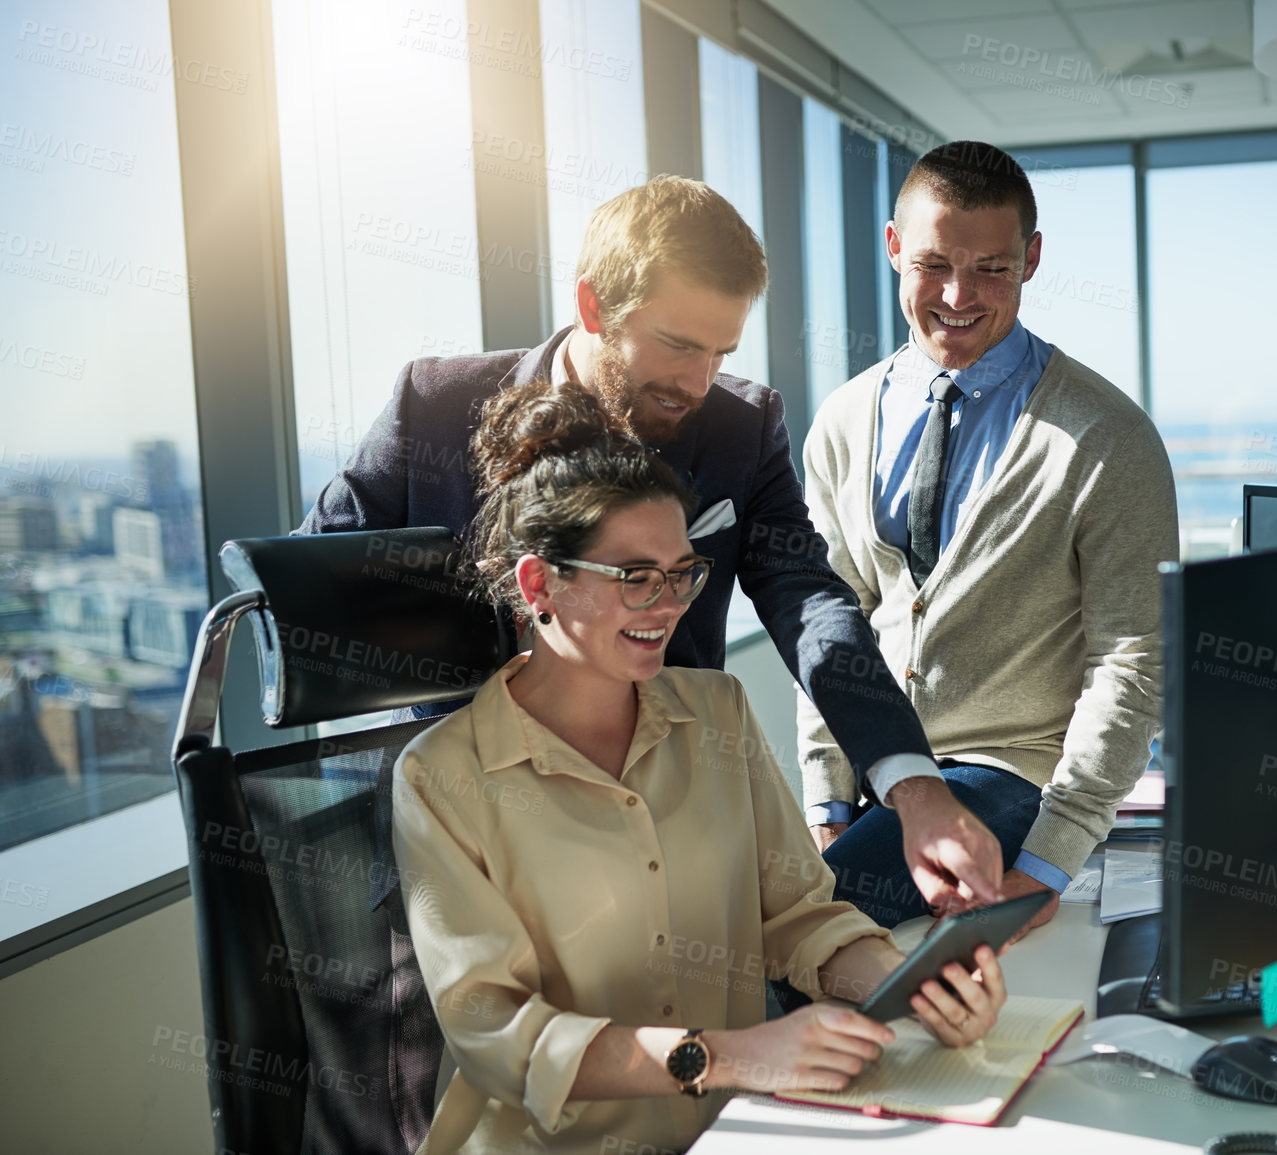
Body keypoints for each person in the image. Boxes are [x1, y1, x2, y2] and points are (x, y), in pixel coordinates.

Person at [300, 176, 1002, 917]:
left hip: (661, 845)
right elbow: (311, 591)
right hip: (462, 840)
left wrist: (912, 784)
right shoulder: (435, 407)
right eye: (676, 345)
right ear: (593, 305)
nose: (697, 382)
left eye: (720, 351)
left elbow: (808, 601)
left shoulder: (742, 425)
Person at [395, 383, 1008, 1154]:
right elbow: (497, 1033)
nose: (668, 603)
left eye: (682, 572)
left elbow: (798, 916)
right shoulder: (441, 776)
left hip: (737, 1131)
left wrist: (907, 979)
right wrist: (731, 1055)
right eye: (635, 576)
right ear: (538, 582)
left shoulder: (714, 711)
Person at [800, 141, 1180, 931]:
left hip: (1010, 776)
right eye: (933, 262)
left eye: (992, 268)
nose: (958, 295)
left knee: (817, 929)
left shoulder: (1107, 435)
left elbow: (1130, 661)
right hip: (883, 773)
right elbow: (831, 620)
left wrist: (1046, 862)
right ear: (892, 246)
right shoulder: (842, 419)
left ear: (1031, 259)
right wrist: (827, 797)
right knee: (758, 917)